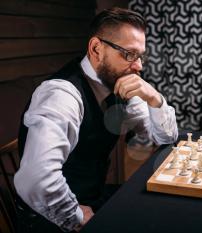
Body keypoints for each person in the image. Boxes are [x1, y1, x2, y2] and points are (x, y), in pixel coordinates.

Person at [14, 7, 178, 233]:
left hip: (93, 195)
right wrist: (77, 216)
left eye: (140, 56)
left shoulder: (119, 84)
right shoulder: (61, 95)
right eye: (129, 54)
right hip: (51, 217)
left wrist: (155, 99)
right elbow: (35, 179)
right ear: (96, 48)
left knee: (164, 213)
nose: (139, 66)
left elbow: (164, 137)